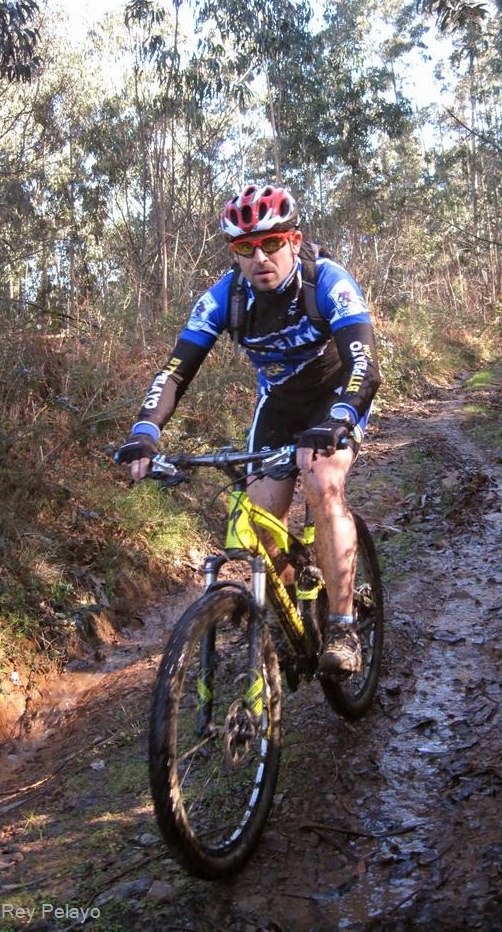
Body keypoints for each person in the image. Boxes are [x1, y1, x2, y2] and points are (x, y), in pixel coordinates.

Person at [116, 183, 381, 676]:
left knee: (323, 482)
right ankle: (289, 615)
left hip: (334, 399)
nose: (260, 257)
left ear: (294, 241)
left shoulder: (328, 282)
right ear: (235, 253)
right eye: (245, 247)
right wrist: (145, 431)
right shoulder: (225, 298)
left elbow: (364, 363)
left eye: (271, 243)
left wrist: (341, 418)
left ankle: (343, 625)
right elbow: (175, 371)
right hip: (278, 407)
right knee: (257, 521)